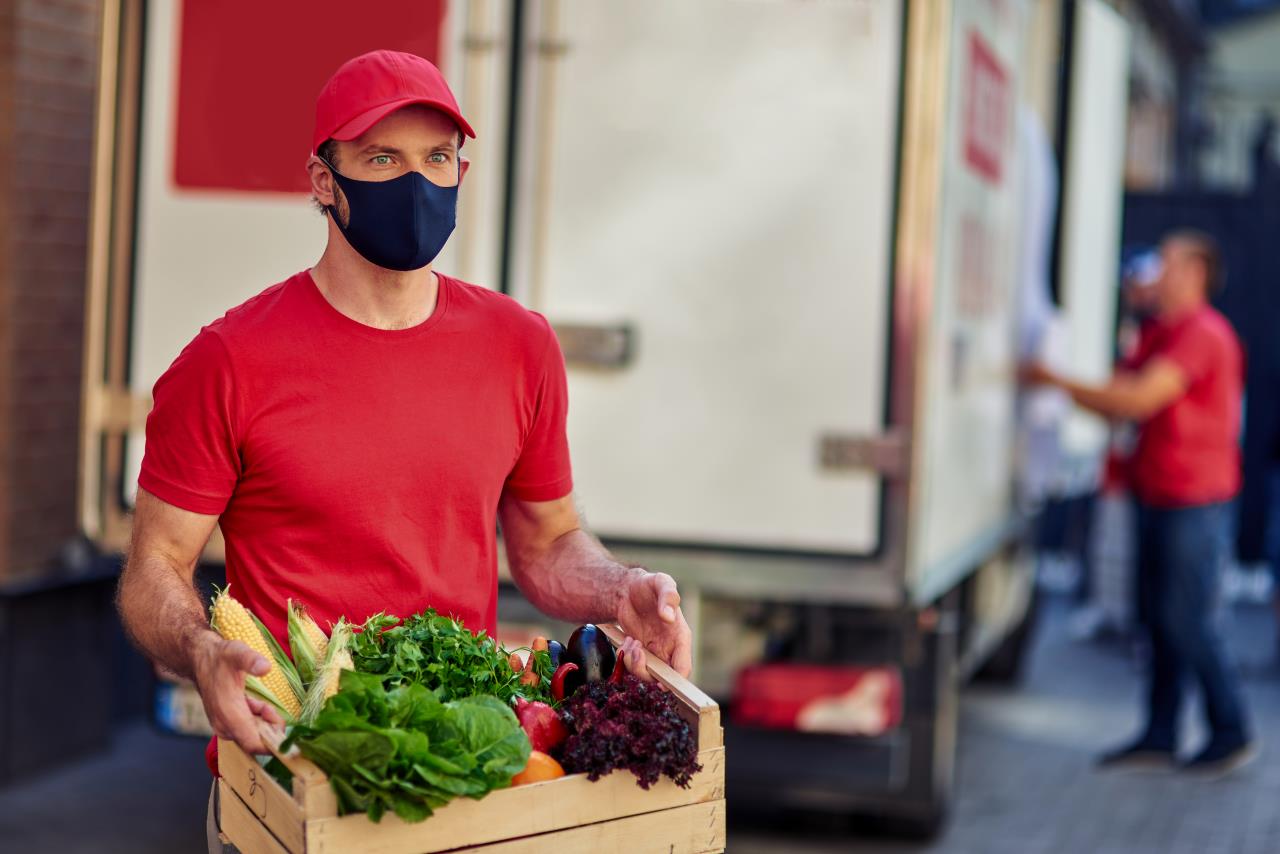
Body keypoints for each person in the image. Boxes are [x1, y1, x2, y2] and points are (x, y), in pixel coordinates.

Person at [112, 50, 692, 848]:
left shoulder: (517, 346)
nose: (417, 183)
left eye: (438, 158)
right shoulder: (229, 362)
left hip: (459, 772)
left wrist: (618, 589)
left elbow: (549, 542)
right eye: (382, 158)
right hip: (291, 769)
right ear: (324, 180)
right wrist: (201, 648)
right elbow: (155, 567)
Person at [1022, 230, 1255, 778]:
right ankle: (1160, 731)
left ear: (1196, 274)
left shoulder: (1203, 335)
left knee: (1186, 618)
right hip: (1157, 492)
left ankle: (1231, 727)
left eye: (1168, 265)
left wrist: (1051, 379)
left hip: (1193, 499)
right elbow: (1114, 399)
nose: (1156, 273)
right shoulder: (1159, 332)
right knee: (1157, 619)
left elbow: (1137, 398)